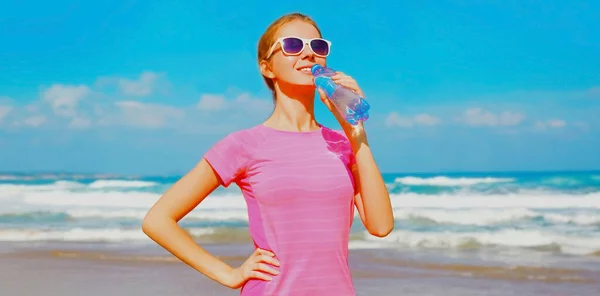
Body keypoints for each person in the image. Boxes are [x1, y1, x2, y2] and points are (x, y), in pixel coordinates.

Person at [142, 12, 394, 296]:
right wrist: (229, 274)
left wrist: (356, 132)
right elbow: (157, 220)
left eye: (318, 46)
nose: (308, 54)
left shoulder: (344, 145)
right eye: (292, 45)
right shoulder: (244, 145)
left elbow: (381, 225)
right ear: (267, 68)